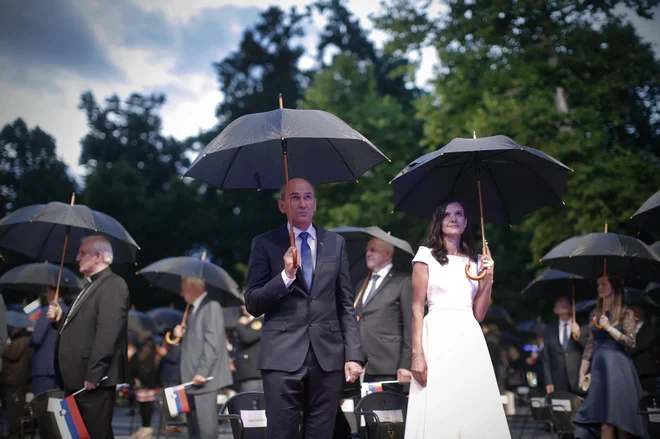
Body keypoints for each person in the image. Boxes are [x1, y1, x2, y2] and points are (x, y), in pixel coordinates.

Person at [245, 178, 364, 439]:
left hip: (327, 357)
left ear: (316, 203)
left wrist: (354, 354)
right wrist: (285, 276)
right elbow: (253, 303)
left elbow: (345, 303)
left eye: (308, 197)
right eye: (295, 197)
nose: (302, 203)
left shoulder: (335, 243)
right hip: (281, 357)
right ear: (281, 204)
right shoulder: (265, 244)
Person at [404, 201, 510, 438]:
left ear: (465, 223)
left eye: (459, 214)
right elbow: (416, 309)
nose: (453, 219)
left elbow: (480, 313)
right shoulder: (425, 256)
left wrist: (489, 279)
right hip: (438, 335)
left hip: (469, 337)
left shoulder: (477, 261)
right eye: (447, 215)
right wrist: (417, 354)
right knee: (441, 403)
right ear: (439, 222)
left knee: (470, 403)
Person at [48, 235, 130, 439]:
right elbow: (84, 325)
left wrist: (94, 373)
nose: (76, 258)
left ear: (98, 256)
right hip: (78, 378)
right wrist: (60, 319)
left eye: (81, 253)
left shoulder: (114, 284)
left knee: (95, 434)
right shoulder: (91, 285)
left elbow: (108, 332)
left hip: (92, 380)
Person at [573, 275, 649, 439]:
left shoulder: (625, 313)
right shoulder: (595, 313)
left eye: (603, 284)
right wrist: (582, 372)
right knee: (604, 421)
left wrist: (609, 328)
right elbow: (589, 346)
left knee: (621, 421)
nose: (599, 287)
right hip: (600, 371)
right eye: (598, 284)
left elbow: (631, 343)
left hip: (618, 369)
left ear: (613, 287)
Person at [172, 276, 233, 439]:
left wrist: (203, 372)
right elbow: (196, 342)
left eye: (183, 288)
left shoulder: (211, 306)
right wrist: (181, 335)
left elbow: (212, 343)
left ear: (194, 288)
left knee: (206, 428)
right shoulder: (194, 309)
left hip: (202, 379)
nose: (181, 292)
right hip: (191, 379)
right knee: (194, 427)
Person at [355, 237, 412, 393]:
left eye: (373, 250)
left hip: (389, 368)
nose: (367, 254)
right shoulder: (361, 284)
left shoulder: (403, 282)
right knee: (366, 415)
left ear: (387, 255)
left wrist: (406, 365)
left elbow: (410, 327)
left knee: (388, 416)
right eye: (367, 250)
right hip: (362, 367)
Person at [542, 296, 586, 395]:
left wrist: (579, 335)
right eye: (560, 303)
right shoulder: (549, 330)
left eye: (566, 303)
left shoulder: (582, 325)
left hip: (578, 380)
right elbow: (546, 358)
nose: (564, 305)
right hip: (559, 382)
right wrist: (549, 382)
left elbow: (588, 349)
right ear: (555, 310)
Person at [30, 286, 69, 397]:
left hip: (44, 368)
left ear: (53, 291)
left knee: (42, 407)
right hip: (61, 368)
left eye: (46, 291)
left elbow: (36, 339)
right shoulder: (68, 310)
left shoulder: (49, 310)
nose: (46, 295)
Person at [1, 324, 33, 439]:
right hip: (15, 379)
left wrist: (3, 344)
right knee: (10, 410)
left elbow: (11, 354)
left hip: (14, 380)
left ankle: (12, 434)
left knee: (13, 411)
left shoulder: (22, 340)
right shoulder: (24, 339)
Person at [627, 303, 658, 395]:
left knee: (645, 399)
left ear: (639, 313)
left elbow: (642, 345)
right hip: (631, 373)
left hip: (645, 374)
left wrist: (626, 350)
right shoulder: (628, 330)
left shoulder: (650, 329)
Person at [232, 306, 264, 392]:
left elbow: (247, 337)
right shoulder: (248, 321)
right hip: (246, 374)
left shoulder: (260, 320)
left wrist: (239, 325)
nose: (242, 307)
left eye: (245, 305)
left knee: (252, 402)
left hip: (253, 374)